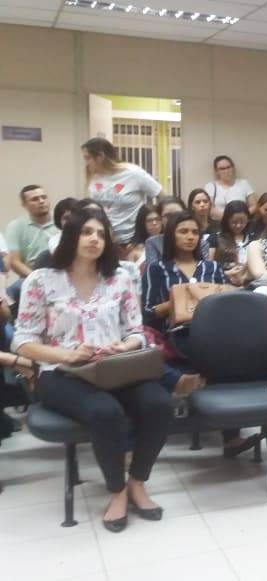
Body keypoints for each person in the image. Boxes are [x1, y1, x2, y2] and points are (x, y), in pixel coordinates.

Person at [14, 208, 173, 533]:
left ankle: (137, 483)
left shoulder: (120, 278)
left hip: (113, 366)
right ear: (71, 236)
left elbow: (135, 331)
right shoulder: (40, 280)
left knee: (159, 404)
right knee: (105, 412)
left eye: (101, 234)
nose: (94, 239)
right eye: (87, 231)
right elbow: (22, 342)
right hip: (59, 372)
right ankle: (116, 490)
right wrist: (66, 355)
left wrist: (124, 347)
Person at [142, 212, 258, 457]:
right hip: (176, 333)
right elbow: (148, 311)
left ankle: (231, 434)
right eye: (183, 231)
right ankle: (229, 434)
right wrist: (179, 298)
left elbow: (225, 303)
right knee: (223, 358)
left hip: (213, 332)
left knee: (238, 352)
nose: (190, 237)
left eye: (194, 232)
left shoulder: (211, 266)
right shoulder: (158, 268)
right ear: (171, 236)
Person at [82, 138, 163, 245]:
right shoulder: (94, 178)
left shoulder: (133, 173)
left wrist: (153, 219)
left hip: (134, 239)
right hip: (106, 239)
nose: (86, 163)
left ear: (100, 156)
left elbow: (161, 195)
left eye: (88, 158)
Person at [6, 185, 59, 281]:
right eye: (35, 199)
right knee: (11, 292)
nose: (41, 201)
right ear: (24, 205)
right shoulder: (16, 226)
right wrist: (35, 277)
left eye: (44, 197)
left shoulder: (61, 220)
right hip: (30, 274)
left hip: (62, 272)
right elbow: (14, 261)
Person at [145, 197, 212, 265]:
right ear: (160, 219)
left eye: (178, 214)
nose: (174, 219)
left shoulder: (201, 244)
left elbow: (204, 272)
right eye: (168, 215)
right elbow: (152, 272)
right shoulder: (153, 243)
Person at [211, 200, 252, 287]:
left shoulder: (254, 238)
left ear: (248, 220)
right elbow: (209, 267)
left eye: (242, 222)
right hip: (223, 282)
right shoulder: (216, 238)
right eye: (234, 222)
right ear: (227, 221)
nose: (238, 225)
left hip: (249, 282)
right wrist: (227, 273)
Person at [203, 155, 253, 221]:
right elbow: (210, 208)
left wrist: (241, 217)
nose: (226, 171)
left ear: (233, 168)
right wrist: (229, 219)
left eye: (228, 167)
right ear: (216, 171)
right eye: (222, 169)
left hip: (242, 223)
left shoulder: (243, 183)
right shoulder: (210, 186)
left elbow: (254, 206)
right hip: (219, 224)